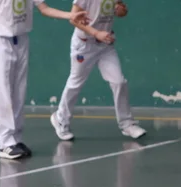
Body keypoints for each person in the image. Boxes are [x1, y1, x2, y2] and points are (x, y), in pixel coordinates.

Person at [0, 0, 87, 160]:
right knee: (3, 93)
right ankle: (5, 143)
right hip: (0, 42)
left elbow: (44, 9)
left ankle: (16, 139)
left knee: (19, 92)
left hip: (22, 40)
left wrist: (70, 15)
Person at [50, 0, 147, 141]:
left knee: (119, 82)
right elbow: (73, 18)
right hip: (84, 46)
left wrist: (120, 10)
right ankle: (60, 119)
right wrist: (96, 33)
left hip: (105, 46)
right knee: (75, 83)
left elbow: (122, 11)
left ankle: (127, 124)